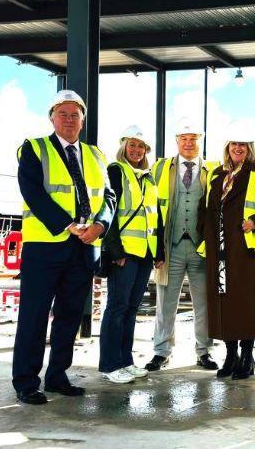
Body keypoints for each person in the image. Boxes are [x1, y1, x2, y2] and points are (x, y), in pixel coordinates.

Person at [12, 89, 116, 405]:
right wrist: (68, 224)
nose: (69, 120)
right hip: (45, 246)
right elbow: (34, 193)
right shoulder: (34, 149)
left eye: (75, 115)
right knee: (34, 315)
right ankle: (27, 382)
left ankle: (58, 375)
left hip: (83, 248)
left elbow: (109, 197)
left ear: (82, 120)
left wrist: (100, 226)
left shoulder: (96, 155)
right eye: (63, 114)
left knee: (70, 315)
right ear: (52, 118)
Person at [199, 122, 255, 380]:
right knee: (223, 302)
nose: (238, 148)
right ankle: (230, 355)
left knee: (246, 303)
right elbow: (206, 209)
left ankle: (247, 357)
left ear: (249, 148)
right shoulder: (216, 175)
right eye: (234, 144)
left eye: (243, 145)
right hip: (221, 250)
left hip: (247, 251)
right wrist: (205, 238)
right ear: (228, 147)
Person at [145, 117, 219, 372]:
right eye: (184, 139)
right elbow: (152, 209)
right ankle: (162, 351)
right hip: (171, 247)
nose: (189, 143)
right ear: (177, 141)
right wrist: (156, 249)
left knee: (203, 303)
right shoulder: (161, 169)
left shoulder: (213, 169)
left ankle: (204, 351)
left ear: (201, 141)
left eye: (193, 139)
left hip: (200, 248)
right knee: (165, 302)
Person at [98, 125, 164, 384]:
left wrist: (158, 251)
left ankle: (126, 361)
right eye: (132, 145)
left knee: (131, 308)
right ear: (124, 146)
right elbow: (109, 210)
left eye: (141, 146)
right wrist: (114, 250)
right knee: (117, 307)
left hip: (144, 253)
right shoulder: (116, 171)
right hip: (124, 253)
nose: (136, 150)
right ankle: (110, 365)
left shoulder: (148, 177)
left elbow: (154, 217)